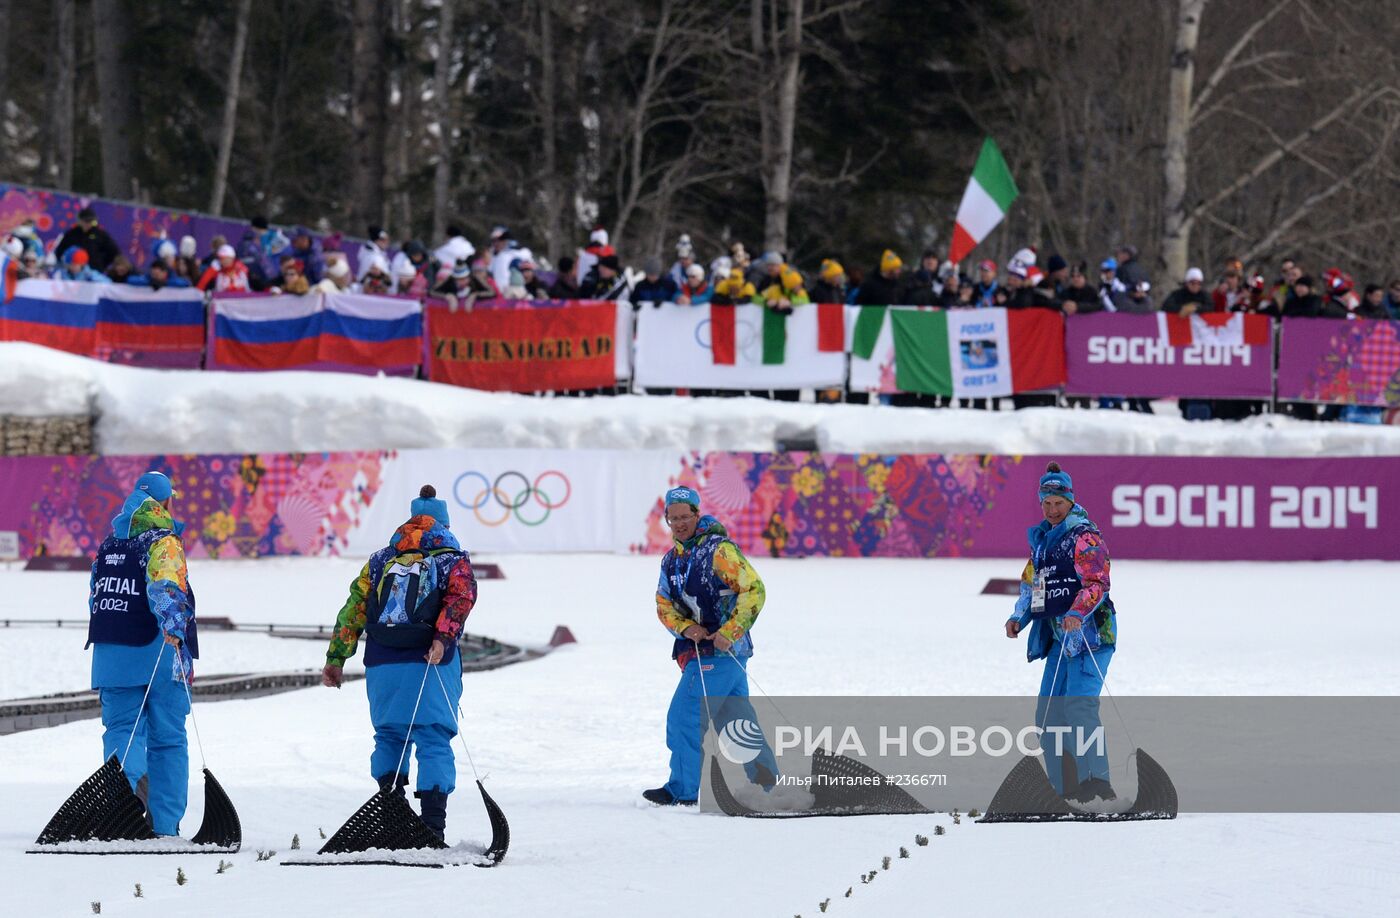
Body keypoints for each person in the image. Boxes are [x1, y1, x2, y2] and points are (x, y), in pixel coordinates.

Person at [321, 485, 476, 840]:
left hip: (382, 662)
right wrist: (442, 637)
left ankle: (392, 815)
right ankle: (432, 828)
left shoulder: (379, 561)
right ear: (445, 523)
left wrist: (336, 657)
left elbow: (354, 608)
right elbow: (460, 599)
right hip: (431, 661)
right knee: (433, 737)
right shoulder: (452, 559)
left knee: (390, 736)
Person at [645, 487, 776, 806]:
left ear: (696, 514)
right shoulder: (672, 559)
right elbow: (663, 603)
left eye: (684, 516)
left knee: (684, 717)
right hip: (712, 652)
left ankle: (684, 789)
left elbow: (754, 590)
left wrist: (730, 631)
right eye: (672, 518)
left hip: (720, 653)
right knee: (736, 721)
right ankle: (767, 782)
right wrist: (686, 627)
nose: (678, 523)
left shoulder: (718, 551)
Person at [88, 471, 198, 836]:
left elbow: (95, 596)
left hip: (110, 655)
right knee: (168, 739)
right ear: (165, 503)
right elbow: (165, 587)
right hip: (158, 654)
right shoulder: (163, 542)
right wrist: (175, 630)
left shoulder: (108, 545)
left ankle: (122, 814)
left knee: (122, 730)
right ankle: (165, 827)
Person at [1004, 462, 1118, 804]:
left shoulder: (1084, 536)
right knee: (1048, 715)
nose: (1053, 510)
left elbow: (1098, 583)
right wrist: (1018, 618)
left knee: (1079, 709)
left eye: (1058, 502)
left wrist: (1076, 613)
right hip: (1058, 642)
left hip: (1089, 640)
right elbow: (1032, 586)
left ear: (1070, 501)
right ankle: (1064, 789)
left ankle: (1097, 783)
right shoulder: (1042, 543)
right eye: (1047, 503)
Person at [56, 207, 121, 272]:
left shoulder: (100, 235)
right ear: (79, 221)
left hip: (94, 272)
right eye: (86, 221)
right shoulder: (71, 234)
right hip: (74, 273)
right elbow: (59, 251)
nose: (88, 224)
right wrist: (67, 265)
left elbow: (114, 252)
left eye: (91, 221)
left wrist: (101, 264)